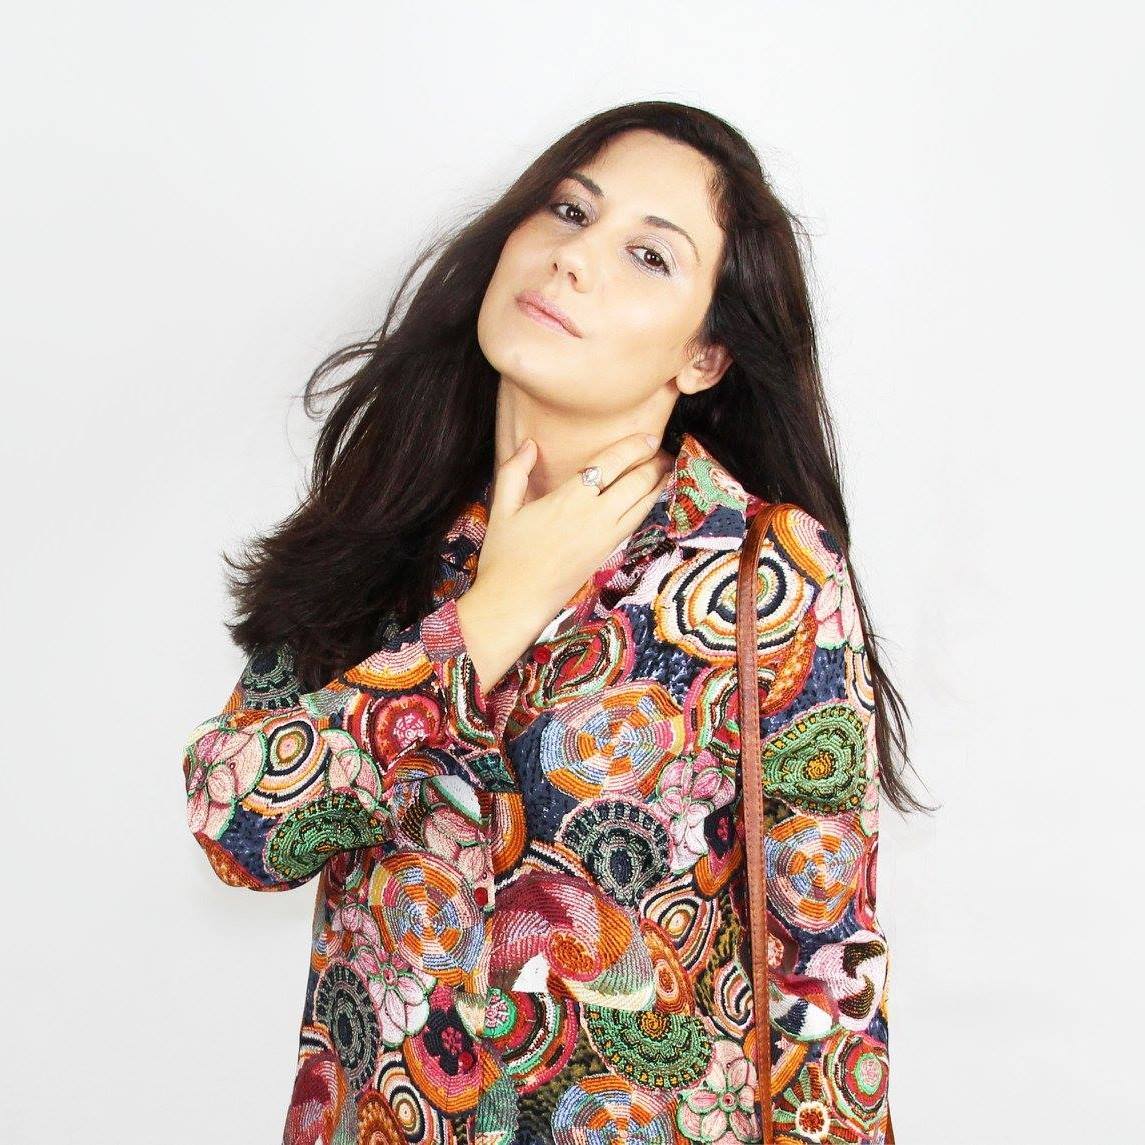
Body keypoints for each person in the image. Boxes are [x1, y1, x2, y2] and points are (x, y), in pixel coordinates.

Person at [182, 101, 930, 1145]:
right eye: (569, 211)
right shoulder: (385, 523)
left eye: (648, 255)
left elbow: (825, 965)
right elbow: (238, 828)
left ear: (704, 355)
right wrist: (490, 612)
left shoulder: (763, 570)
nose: (574, 257)